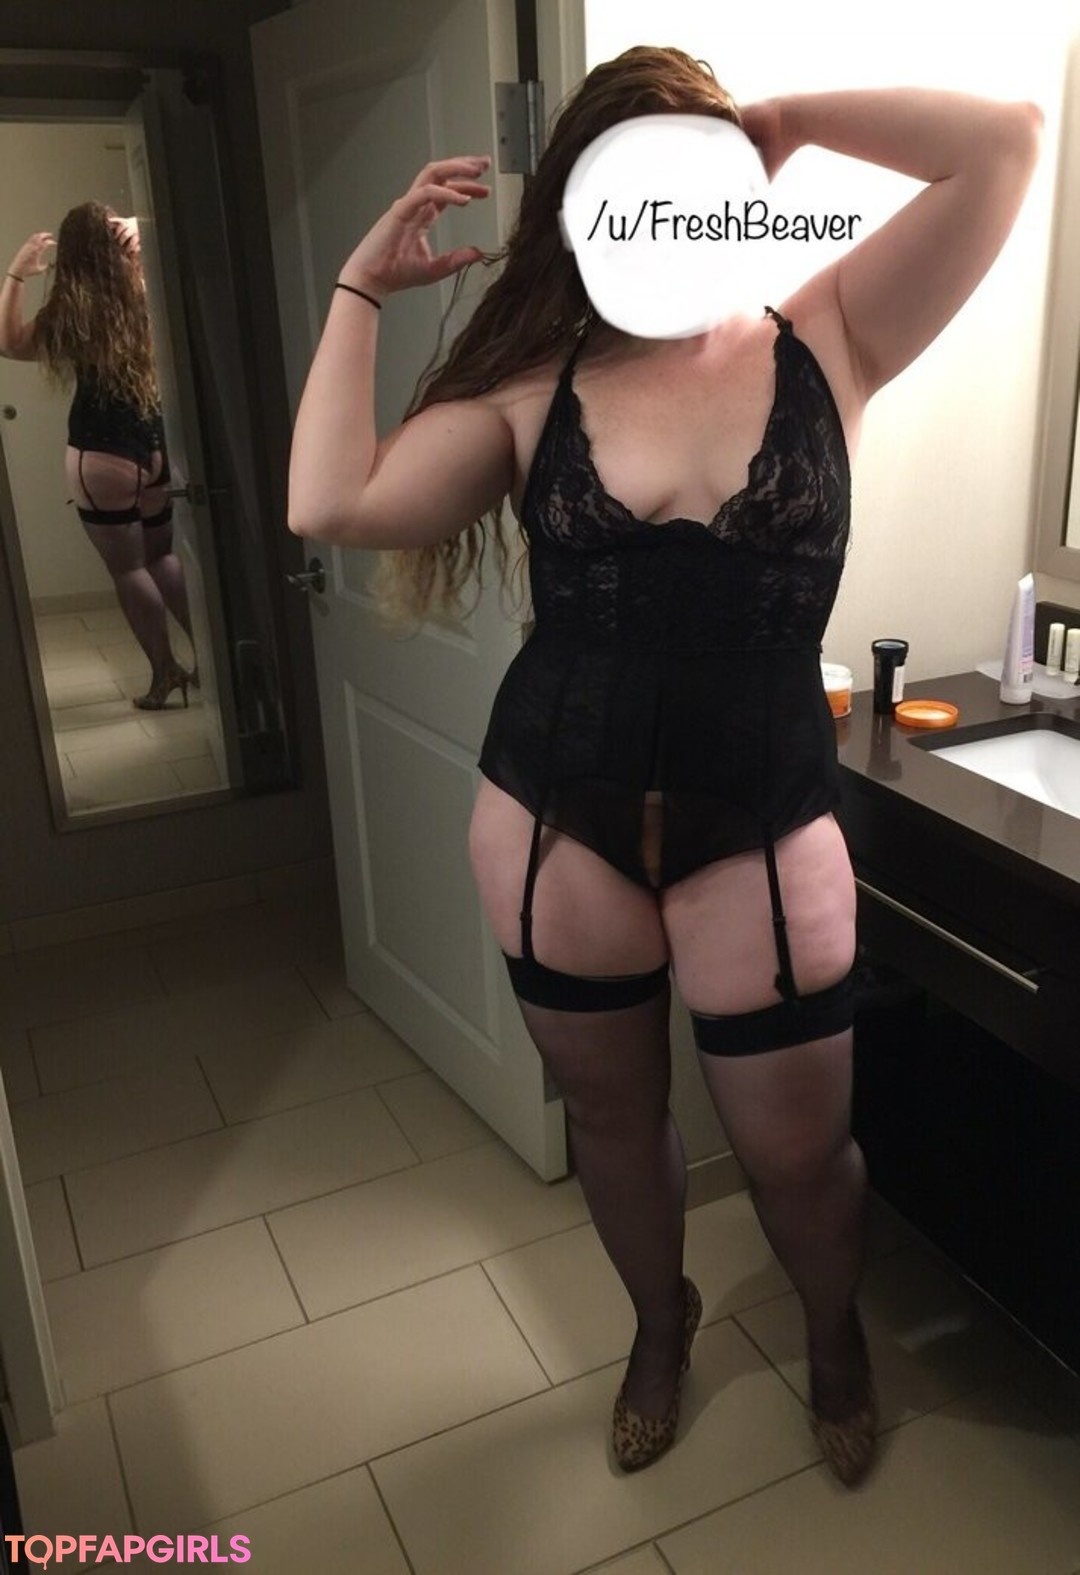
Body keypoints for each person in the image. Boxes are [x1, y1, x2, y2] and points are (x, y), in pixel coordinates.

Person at [288, 47, 1041, 1486]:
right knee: (617, 1125)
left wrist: (782, 121)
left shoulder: (834, 330)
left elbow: (1003, 141)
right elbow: (331, 499)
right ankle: (658, 1327)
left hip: (764, 820)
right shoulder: (536, 381)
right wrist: (358, 291)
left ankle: (833, 1334)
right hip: (551, 821)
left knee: (799, 1154)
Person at [0, 202, 197, 709]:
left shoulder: (72, 311)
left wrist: (16, 274)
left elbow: (10, 343)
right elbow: (193, 258)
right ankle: (210, 663)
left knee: (129, 570)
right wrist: (146, 232)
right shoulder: (152, 290)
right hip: (156, 447)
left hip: (101, 454)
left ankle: (164, 672)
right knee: (163, 557)